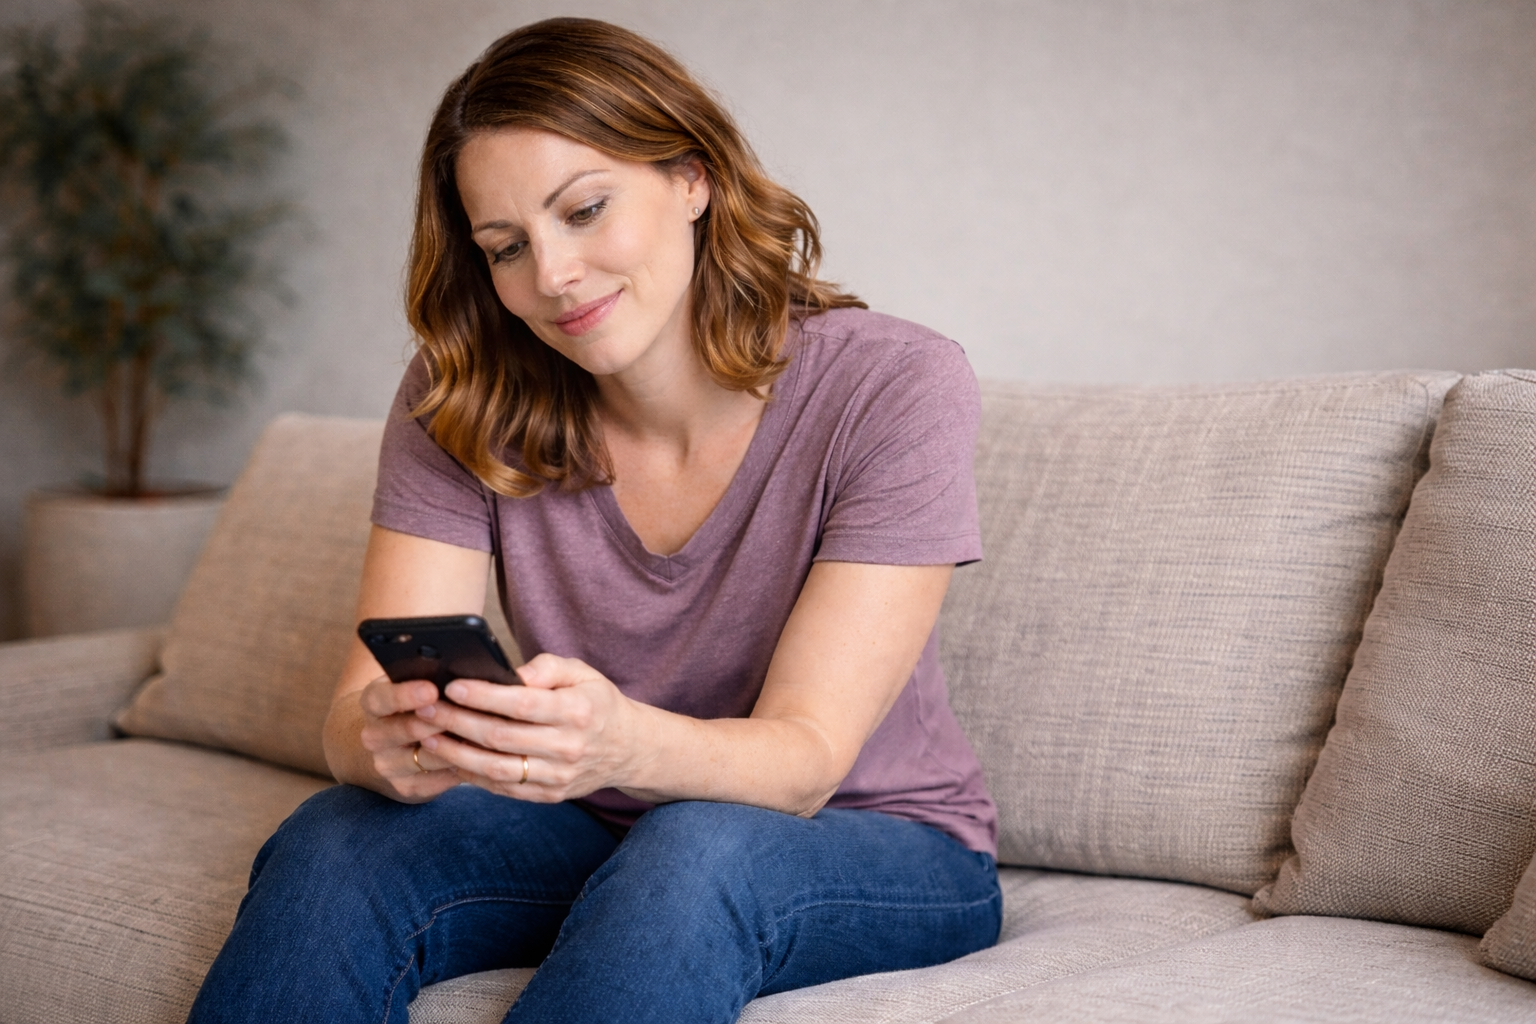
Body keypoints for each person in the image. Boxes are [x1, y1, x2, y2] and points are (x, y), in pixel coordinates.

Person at [188, 17, 999, 1024]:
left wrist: (614, 743)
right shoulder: (464, 395)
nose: (553, 276)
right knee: (339, 833)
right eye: (507, 247)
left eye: (585, 209)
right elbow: (355, 710)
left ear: (693, 177)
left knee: (696, 846)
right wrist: (385, 742)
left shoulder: (895, 385)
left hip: (878, 837)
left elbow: (804, 758)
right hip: (595, 819)